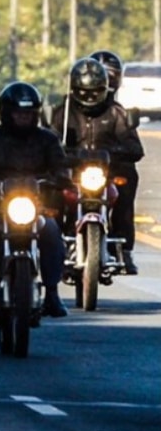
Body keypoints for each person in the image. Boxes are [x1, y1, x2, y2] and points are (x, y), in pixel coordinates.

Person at [0, 82, 70, 318]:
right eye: (19, 113)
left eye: (28, 114)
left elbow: (61, 167)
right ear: (6, 112)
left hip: (35, 207)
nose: (24, 118)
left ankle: (52, 293)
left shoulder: (48, 140)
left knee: (52, 232)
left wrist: (61, 179)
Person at [50, 57, 145, 274]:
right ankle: (52, 243)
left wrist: (117, 153)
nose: (90, 96)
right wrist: (61, 153)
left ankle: (124, 248)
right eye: (84, 91)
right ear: (74, 89)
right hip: (72, 171)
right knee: (50, 191)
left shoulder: (116, 112)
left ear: (105, 88)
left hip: (107, 172)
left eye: (95, 91)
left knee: (126, 183)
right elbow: (48, 139)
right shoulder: (63, 112)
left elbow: (134, 147)